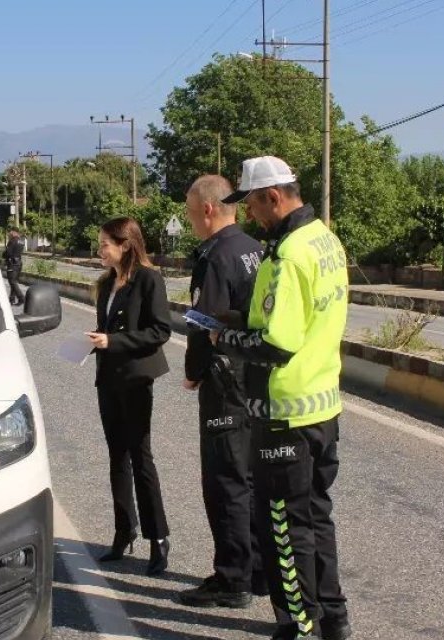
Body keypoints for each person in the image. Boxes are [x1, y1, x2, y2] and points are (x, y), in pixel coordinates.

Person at [213, 157, 352, 640]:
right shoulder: (325, 239)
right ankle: (332, 619)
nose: (250, 215)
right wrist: (234, 320)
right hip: (322, 406)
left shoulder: (289, 254)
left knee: (283, 529)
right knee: (315, 516)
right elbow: (295, 323)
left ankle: (300, 626)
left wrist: (220, 340)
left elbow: (276, 343)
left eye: (251, 204)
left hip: (283, 413)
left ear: (273, 196)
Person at [178, 175, 266, 609]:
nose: (190, 220)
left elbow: (203, 322)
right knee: (250, 479)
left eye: (191, 211)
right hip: (256, 378)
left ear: (208, 209)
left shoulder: (215, 258)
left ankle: (233, 580)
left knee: (225, 482)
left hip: (224, 379)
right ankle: (257, 570)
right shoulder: (254, 248)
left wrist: (193, 371)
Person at [85, 217, 173, 576]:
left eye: (106, 243)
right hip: (108, 378)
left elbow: (160, 330)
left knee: (140, 456)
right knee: (116, 457)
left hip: (136, 379)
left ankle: (158, 538)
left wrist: (114, 341)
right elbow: (106, 329)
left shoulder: (149, 280)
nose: (100, 249)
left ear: (125, 244)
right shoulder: (106, 284)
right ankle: (124, 531)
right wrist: (92, 341)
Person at [3, 230, 26, 306]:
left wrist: (4, 254)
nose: (8, 237)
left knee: (12, 282)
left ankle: (21, 298)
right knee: (14, 282)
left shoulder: (12, 241)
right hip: (19, 263)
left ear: (12, 235)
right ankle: (12, 299)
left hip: (12, 263)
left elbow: (8, 253)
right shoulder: (21, 241)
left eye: (9, 235)